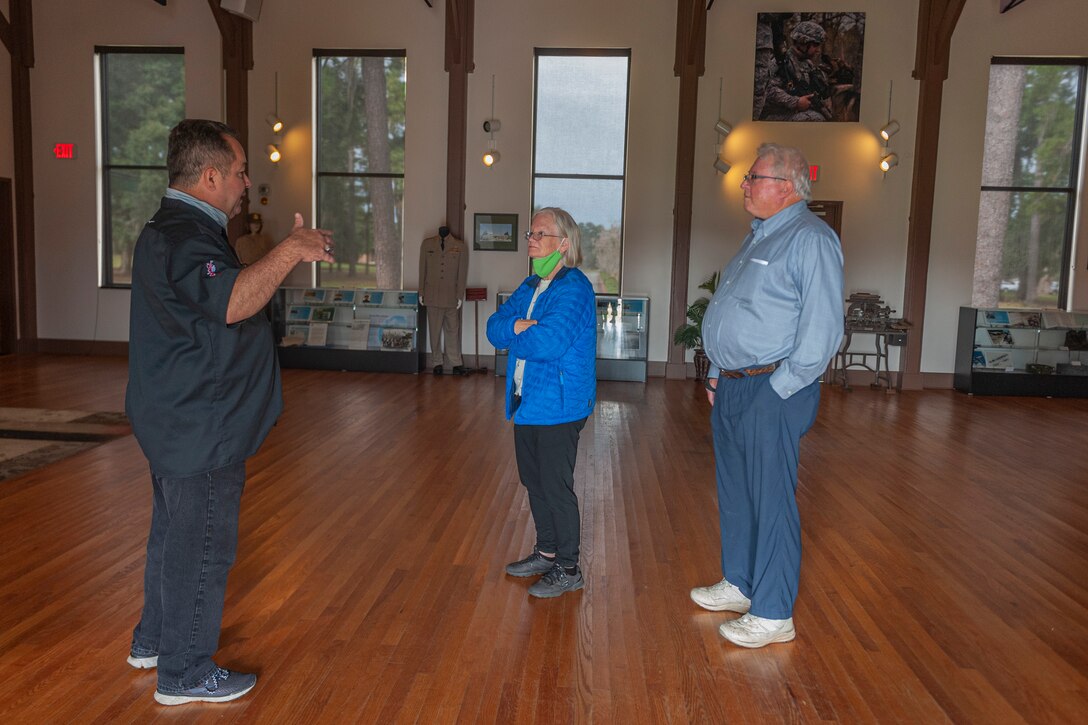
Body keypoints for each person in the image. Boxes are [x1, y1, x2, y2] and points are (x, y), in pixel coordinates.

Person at [125, 119, 334, 705]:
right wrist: (292, 250)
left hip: (175, 416)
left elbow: (217, 298)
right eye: (240, 172)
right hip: (200, 423)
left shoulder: (169, 229)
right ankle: (184, 670)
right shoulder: (188, 234)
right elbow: (234, 301)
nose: (246, 183)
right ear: (211, 175)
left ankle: (154, 641)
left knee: (172, 534)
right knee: (204, 543)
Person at [690, 143, 843, 648]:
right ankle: (740, 583)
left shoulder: (810, 239)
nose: (743, 184)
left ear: (787, 186)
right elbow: (742, 312)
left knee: (770, 498)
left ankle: (774, 613)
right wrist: (717, 372)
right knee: (735, 492)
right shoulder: (761, 235)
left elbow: (823, 331)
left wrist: (775, 390)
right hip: (735, 385)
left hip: (773, 386)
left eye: (752, 177)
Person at [486, 207, 596, 598]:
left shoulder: (575, 288)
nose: (530, 240)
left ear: (563, 244)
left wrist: (516, 332)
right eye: (530, 234)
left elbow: (548, 343)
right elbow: (493, 327)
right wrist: (519, 326)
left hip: (560, 405)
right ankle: (546, 552)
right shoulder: (531, 285)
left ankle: (569, 568)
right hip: (528, 401)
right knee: (534, 482)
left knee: (555, 486)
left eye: (539, 234)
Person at [419, 225, 469, 375]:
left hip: (451, 296)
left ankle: (455, 363)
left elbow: (462, 273)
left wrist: (460, 295)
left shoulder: (460, 246)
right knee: (434, 331)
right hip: (432, 295)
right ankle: (436, 362)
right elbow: (422, 269)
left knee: (453, 330)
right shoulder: (427, 244)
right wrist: (421, 292)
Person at [761, 20, 832, 122]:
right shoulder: (780, 61)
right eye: (815, 45)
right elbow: (767, 89)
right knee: (815, 118)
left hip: (796, 113)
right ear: (803, 42)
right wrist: (796, 102)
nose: (818, 50)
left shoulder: (808, 64)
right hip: (775, 116)